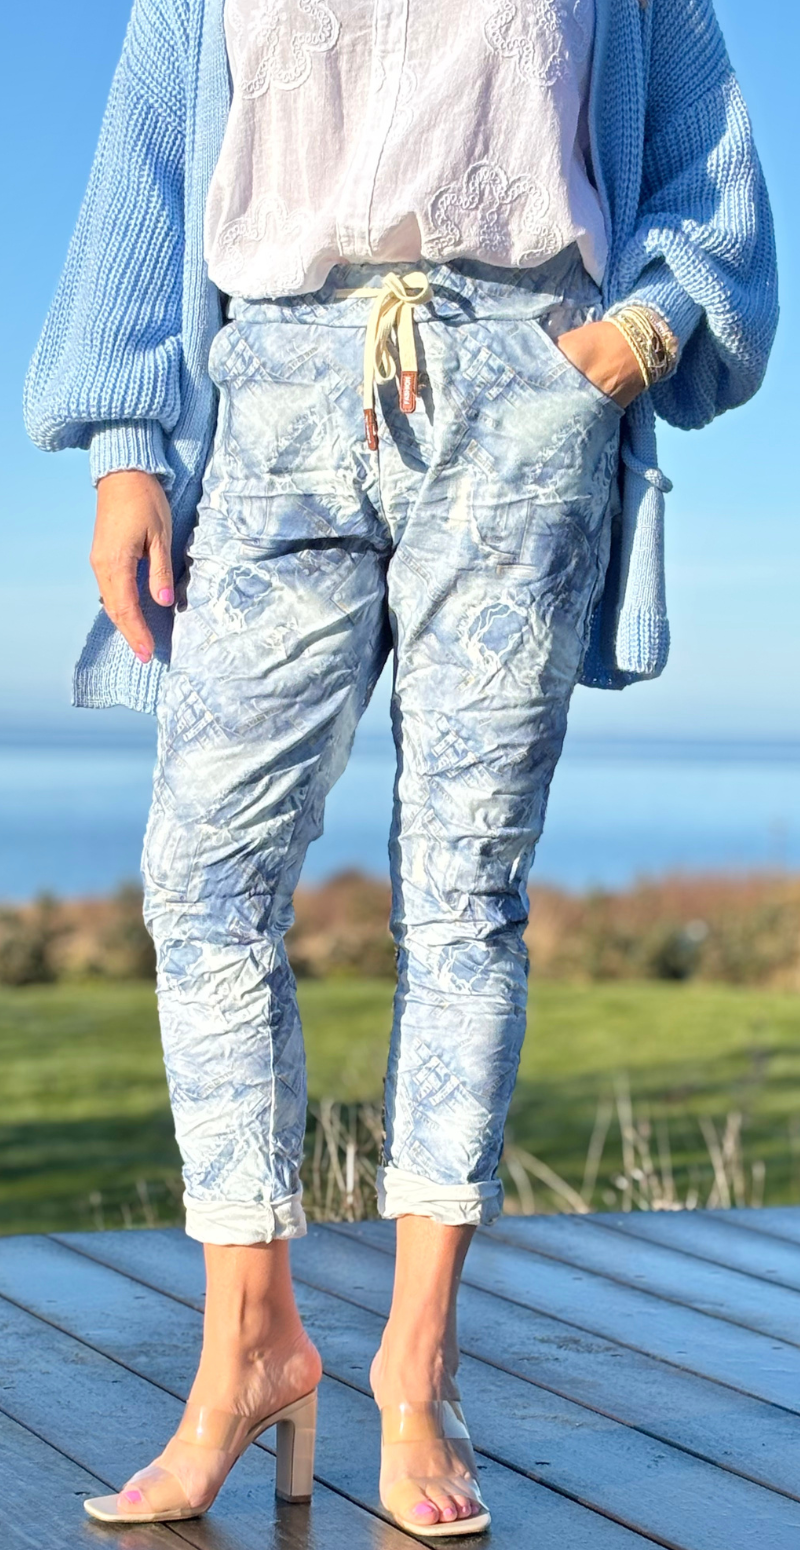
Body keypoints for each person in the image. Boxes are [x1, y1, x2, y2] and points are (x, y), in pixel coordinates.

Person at [24, 0, 777, 1535]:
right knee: (204, 878)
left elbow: (711, 168)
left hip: (528, 384)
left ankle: (416, 1367)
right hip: (278, 385)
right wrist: (124, 443)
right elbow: (150, 161)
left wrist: (628, 341)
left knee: (464, 892)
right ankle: (252, 1342)